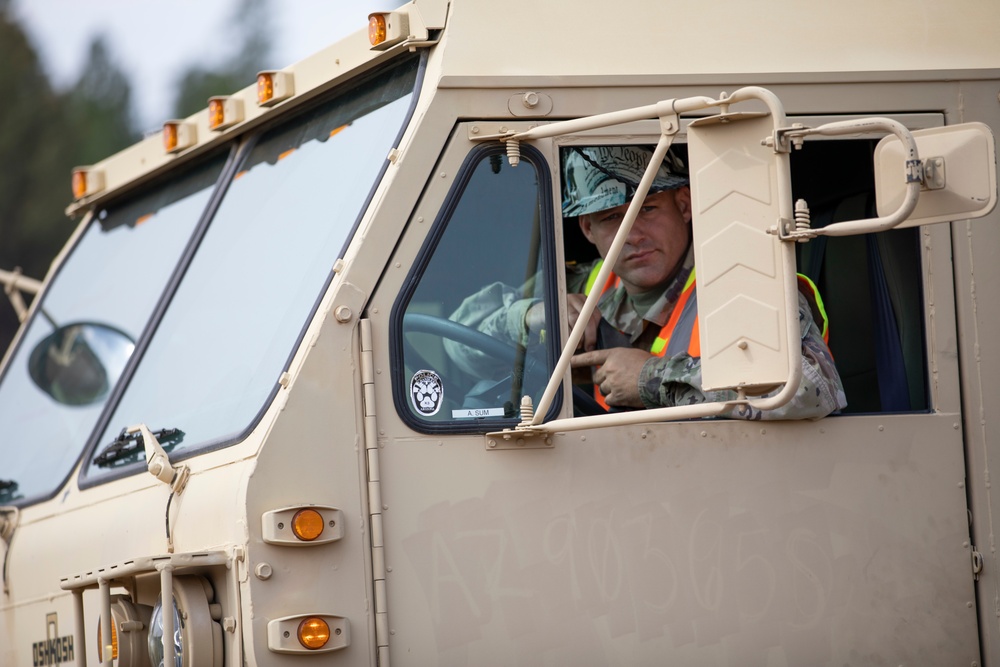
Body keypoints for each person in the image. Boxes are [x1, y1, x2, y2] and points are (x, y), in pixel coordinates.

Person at [446, 145, 846, 419]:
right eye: (610, 219)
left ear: (685, 206)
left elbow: (810, 390)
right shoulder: (582, 285)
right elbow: (456, 341)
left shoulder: (744, 283)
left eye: (647, 209)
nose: (632, 234)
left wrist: (651, 380)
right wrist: (533, 316)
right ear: (587, 229)